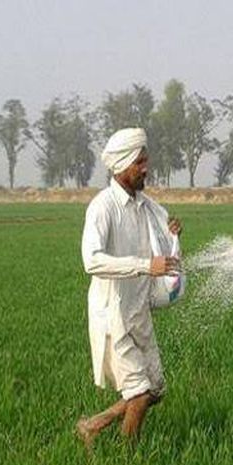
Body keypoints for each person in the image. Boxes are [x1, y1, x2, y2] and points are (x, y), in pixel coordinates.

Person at [76, 127, 182, 448]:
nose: (146, 168)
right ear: (122, 165)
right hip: (113, 317)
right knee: (138, 393)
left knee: (155, 390)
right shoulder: (103, 207)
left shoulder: (145, 206)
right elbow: (92, 260)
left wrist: (173, 232)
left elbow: (162, 239)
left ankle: (93, 425)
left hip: (139, 312)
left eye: (145, 160)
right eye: (139, 162)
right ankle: (127, 460)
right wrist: (144, 265)